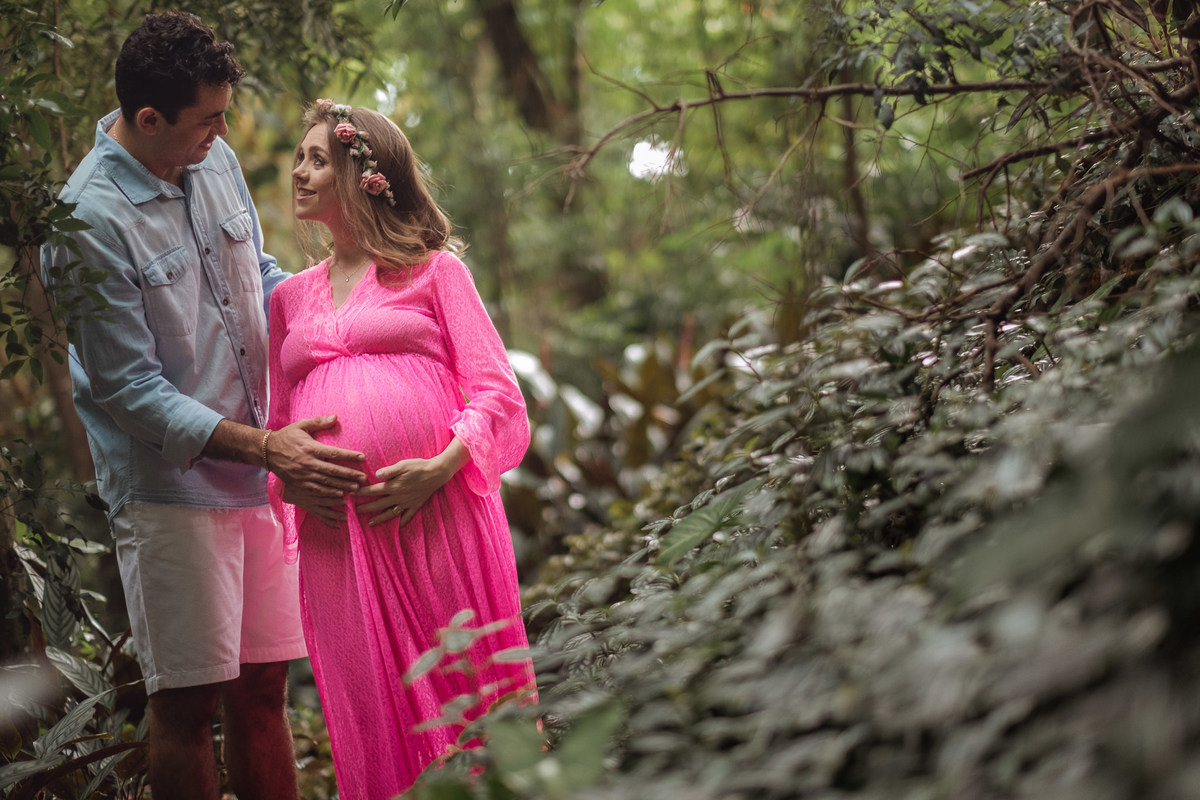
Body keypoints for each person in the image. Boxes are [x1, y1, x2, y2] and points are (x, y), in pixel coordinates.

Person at [40, 13, 368, 800]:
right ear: (149, 119)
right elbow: (130, 392)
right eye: (208, 118)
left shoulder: (210, 157)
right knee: (185, 704)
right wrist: (267, 449)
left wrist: (351, 301)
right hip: (171, 495)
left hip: (261, 472)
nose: (224, 133)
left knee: (263, 690)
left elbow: (254, 271)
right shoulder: (85, 221)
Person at [269, 99, 537, 798]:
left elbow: (498, 395)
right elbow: (277, 423)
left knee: (470, 694)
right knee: (370, 704)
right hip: (340, 540)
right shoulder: (289, 301)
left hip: (436, 518)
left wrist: (442, 466)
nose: (299, 172)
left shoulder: (434, 272)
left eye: (317, 159)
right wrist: (293, 480)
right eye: (299, 157)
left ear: (366, 176)